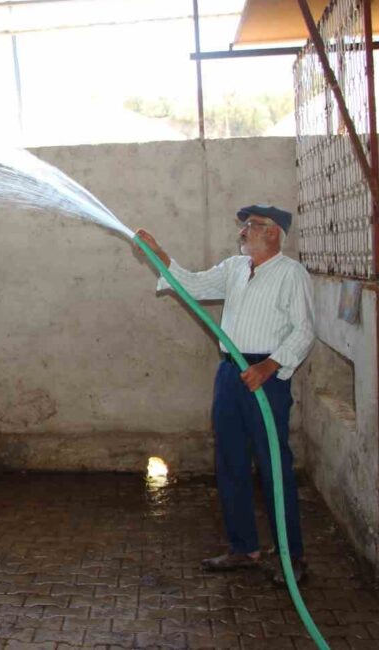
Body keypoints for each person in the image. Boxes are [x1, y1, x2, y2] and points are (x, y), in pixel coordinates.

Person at [135, 205, 315, 585]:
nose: (244, 231)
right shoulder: (234, 267)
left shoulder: (291, 274)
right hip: (231, 373)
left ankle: (291, 556)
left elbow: (303, 330)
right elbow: (195, 286)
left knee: (273, 466)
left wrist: (270, 365)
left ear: (273, 234)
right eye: (245, 225)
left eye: (252, 226)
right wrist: (161, 255)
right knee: (230, 461)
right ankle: (243, 547)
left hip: (268, 377)